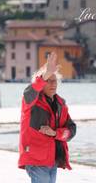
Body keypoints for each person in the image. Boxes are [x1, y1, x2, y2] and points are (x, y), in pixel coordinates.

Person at [18, 52, 76, 183]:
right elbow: (29, 92)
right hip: (35, 159)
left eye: (54, 80)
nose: (52, 84)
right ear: (41, 82)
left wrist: (55, 133)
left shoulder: (61, 104)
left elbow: (71, 130)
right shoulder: (31, 101)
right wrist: (46, 73)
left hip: (53, 159)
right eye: (48, 80)